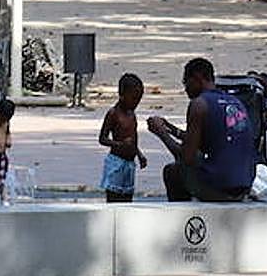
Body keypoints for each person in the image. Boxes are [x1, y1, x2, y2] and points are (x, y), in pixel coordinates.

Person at [147, 57, 256, 202]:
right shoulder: (236, 102)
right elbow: (211, 138)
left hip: (220, 188)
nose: (185, 88)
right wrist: (172, 130)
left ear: (197, 78)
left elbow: (187, 158)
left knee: (173, 171)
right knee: (199, 156)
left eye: (186, 82)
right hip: (245, 185)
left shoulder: (199, 104)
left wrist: (161, 133)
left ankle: (182, 218)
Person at [98, 73, 149, 202]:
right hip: (116, 162)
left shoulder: (132, 114)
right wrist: (119, 144)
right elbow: (102, 138)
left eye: (139, 99)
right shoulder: (113, 114)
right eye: (133, 99)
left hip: (129, 163)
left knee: (127, 198)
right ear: (122, 95)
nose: (136, 103)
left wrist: (139, 154)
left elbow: (133, 138)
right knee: (114, 198)